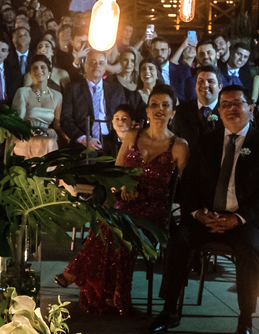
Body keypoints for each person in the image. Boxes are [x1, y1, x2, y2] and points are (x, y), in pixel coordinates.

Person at [146, 85, 259, 334]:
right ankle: (169, 310)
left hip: (247, 220)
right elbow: (188, 184)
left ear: (250, 109)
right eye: (225, 104)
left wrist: (238, 218)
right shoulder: (206, 142)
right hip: (208, 217)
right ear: (218, 111)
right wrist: (198, 213)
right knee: (179, 236)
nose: (231, 109)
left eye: (237, 103)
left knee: (249, 247)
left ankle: (245, 323)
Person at [56, 84, 187, 316]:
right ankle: (113, 296)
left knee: (121, 228)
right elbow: (115, 174)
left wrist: (148, 194)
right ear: (147, 111)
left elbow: (181, 188)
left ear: (173, 112)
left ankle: (81, 273)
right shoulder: (133, 136)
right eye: (154, 104)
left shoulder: (179, 146)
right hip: (125, 202)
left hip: (154, 208)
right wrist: (124, 186)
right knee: (108, 222)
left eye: (165, 105)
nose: (159, 109)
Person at [60, 49, 141, 150]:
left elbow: (126, 115)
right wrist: (83, 139)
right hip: (83, 144)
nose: (97, 65)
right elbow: (66, 120)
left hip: (113, 142)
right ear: (85, 66)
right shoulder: (73, 89)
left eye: (101, 63)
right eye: (93, 62)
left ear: (105, 67)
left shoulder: (116, 89)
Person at [10, 56, 62, 158]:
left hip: (47, 140)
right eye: (35, 68)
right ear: (30, 73)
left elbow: (57, 125)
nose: (39, 70)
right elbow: (17, 124)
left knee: (51, 142)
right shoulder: (23, 92)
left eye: (43, 67)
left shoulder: (57, 96)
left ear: (49, 72)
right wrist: (40, 130)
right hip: (25, 139)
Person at [171, 65, 221, 155]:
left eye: (210, 81)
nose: (205, 85)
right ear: (195, 86)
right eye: (201, 81)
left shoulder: (226, 111)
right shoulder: (181, 111)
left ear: (220, 87)